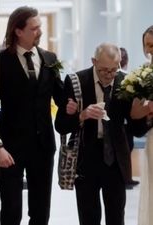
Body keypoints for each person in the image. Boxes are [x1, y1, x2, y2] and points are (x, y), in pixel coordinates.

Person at [55, 43, 148, 225]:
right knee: (89, 216)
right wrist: (82, 115)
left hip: (116, 160)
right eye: (104, 70)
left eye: (114, 70)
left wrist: (147, 112)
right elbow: (61, 126)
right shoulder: (76, 81)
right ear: (93, 62)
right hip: (86, 158)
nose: (109, 75)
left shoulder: (126, 82)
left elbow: (136, 128)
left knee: (116, 216)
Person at [0, 6, 64, 225]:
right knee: (11, 209)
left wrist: (72, 108)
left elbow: (61, 96)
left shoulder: (50, 58)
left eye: (40, 27)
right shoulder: (0, 62)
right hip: (10, 148)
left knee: (41, 210)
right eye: (34, 28)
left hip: (43, 146)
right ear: (18, 31)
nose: (39, 32)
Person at [136, 25, 153, 225]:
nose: (149, 50)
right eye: (146, 46)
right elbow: (136, 111)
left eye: (152, 45)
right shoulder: (144, 73)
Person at [119, 47, 140, 189]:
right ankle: (125, 178)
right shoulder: (125, 78)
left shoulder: (128, 77)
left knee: (128, 147)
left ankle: (127, 177)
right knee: (124, 149)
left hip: (128, 121)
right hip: (123, 120)